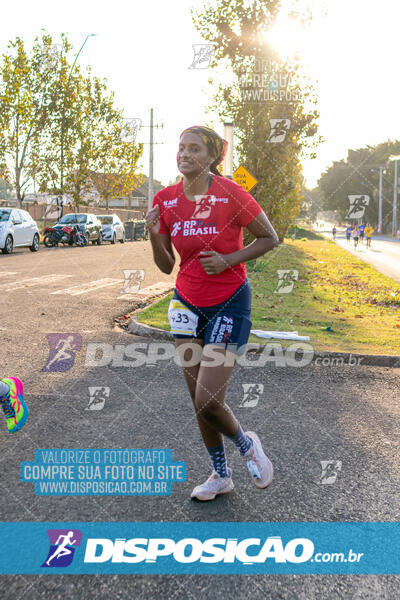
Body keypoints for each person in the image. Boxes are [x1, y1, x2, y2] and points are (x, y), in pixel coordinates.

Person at [146, 125, 279, 501]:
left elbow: (270, 237)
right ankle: (221, 476)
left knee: (209, 400)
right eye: (181, 148)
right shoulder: (166, 198)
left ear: (212, 157)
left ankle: (247, 445)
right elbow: (165, 265)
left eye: (194, 149)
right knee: (197, 401)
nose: (184, 154)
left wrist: (228, 260)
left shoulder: (230, 193)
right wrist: (155, 233)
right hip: (185, 304)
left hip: (229, 301)